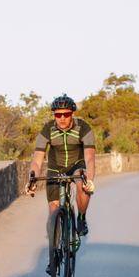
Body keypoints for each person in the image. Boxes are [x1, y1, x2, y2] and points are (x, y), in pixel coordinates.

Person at [27, 95, 97, 252]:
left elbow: (90, 157)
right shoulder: (47, 130)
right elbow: (37, 160)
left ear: (72, 113)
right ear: (54, 115)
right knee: (53, 209)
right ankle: (54, 249)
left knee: (82, 183)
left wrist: (89, 180)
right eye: (58, 115)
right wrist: (31, 180)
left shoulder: (83, 128)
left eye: (66, 114)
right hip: (55, 167)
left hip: (77, 164)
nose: (62, 118)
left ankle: (81, 217)